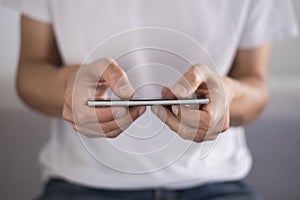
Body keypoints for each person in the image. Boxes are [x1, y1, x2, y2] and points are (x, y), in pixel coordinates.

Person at [16, 0, 298, 199]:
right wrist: (69, 86)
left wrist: (229, 96)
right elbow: (30, 74)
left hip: (215, 181)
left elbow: (256, 88)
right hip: (81, 182)